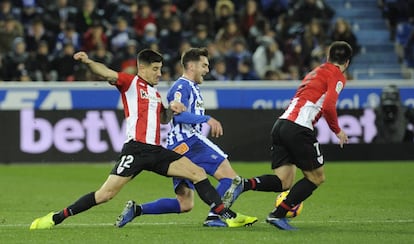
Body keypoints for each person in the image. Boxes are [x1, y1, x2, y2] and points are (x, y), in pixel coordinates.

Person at [29, 49, 256, 230]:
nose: (160, 74)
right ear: (142, 68)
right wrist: (88, 61)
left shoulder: (156, 95)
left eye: (161, 69)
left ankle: (225, 215)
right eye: (156, 69)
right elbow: (107, 73)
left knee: (197, 173)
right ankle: (57, 217)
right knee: (105, 194)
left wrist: (172, 110)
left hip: (156, 151)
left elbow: (164, 120)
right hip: (135, 150)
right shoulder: (129, 84)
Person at [118, 47, 257, 228]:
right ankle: (214, 217)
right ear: (191, 66)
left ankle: (137, 210)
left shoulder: (191, 87)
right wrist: (206, 119)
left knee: (185, 203)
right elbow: (179, 116)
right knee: (231, 178)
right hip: (189, 140)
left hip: (177, 146)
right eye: (204, 65)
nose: (207, 70)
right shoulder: (182, 86)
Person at [223, 41, 353, 230]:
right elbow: (328, 106)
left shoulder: (315, 72)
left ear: (327, 57)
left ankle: (244, 184)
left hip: (281, 124)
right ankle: (277, 215)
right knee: (317, 177)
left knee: (284, 181)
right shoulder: (338, 75)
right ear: (347, 62)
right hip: (299, 128)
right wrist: (337, 130)